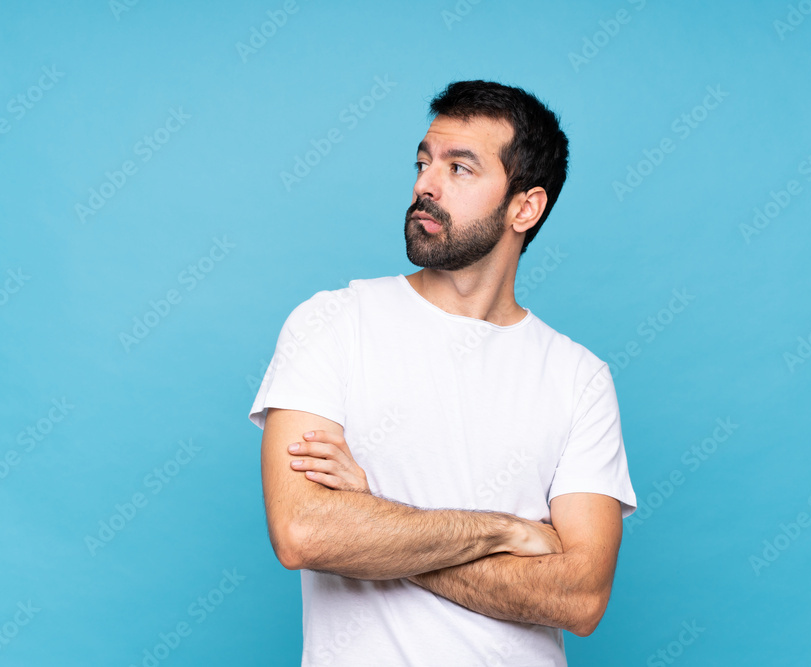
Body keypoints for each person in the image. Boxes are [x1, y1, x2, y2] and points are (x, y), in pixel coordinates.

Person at [249, 79, 637, 666]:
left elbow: (580, 596)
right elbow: (305, 531)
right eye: (424, 162)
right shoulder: (332, 323)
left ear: (524, 207)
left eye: (460, 169)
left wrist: (374, 517)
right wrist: (507, 532)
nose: (424, 184)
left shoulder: (579, 378)